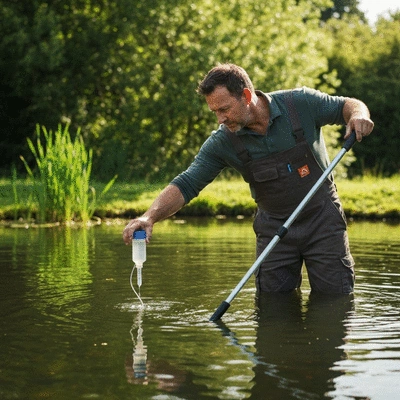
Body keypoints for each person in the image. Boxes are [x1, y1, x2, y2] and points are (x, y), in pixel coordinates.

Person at [123, 63, 374, 294]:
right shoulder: (223, 142)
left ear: (245, 96)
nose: (220, 118)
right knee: (272, 307)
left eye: (224, 109)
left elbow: (347, 105)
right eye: (214, 111)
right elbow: (188, 183)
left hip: (322, 221)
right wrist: (149, 216)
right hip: (274, 228)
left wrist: (358, 115)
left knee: (335, 300)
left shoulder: (299, 104)